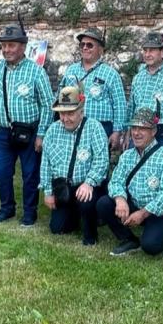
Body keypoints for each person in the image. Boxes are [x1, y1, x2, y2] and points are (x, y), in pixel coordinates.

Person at [0, 22, 54, 226]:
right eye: (4, 46)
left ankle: (29, 213)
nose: (6, 50)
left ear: (23, 47)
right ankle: (6, 208)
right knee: (3, 172)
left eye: (12, 45)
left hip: (30, 131)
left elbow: (48, 105)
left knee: (30, 174)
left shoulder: (36, 71)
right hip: (5, 133)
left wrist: (41, 134)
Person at [97, 107, 163, 256]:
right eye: (134, 127)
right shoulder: (127, 156)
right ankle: (128, 239)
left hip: (158, 212)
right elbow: (115, 181)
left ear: (153, 131)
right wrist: (120, 200)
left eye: (142, 128)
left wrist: (142, 214)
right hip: (134, 205)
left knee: (150, 247)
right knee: (104, 203)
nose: (136, 133)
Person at [40, 85, 109, 245]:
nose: (65, 118)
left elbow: (102, 161)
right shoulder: (52, 130)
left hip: (86, 186)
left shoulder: (94, 128)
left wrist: (89, 182)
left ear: (81, 111)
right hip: (63, 188)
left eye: (70, 113)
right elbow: (45, 164)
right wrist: (48, 192)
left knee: (86, 201)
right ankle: (75, 215)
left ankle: (91, 234)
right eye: (62, 113)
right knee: (58, 229)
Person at [60, 27, 126, 150]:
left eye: (90, 45)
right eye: (82, 44)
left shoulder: (110, 74)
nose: (85, 48)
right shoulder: (71, 70)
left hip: (101, 127)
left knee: (99, 165)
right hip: (74, 125)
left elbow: (120, 105)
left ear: (100, 49)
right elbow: (61, 98)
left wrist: (117, 132)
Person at [127, 31, 163, 147]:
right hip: (138, 129)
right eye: (145, 50)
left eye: (152, 50)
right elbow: (131, 107)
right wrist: (127, 133)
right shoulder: (138, 78)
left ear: (162, 52)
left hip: (162, 133)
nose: (147, 54)